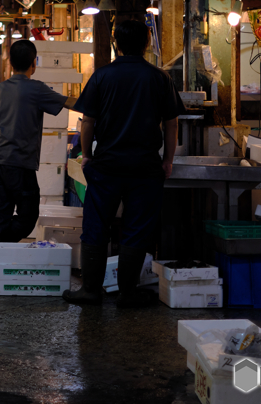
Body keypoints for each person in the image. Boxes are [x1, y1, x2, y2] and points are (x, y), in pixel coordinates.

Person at [63, 20, 183, 308]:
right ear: (146, 44)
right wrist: (167, 161)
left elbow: (88, 121)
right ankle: (127, 294)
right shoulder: (159, 78)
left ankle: (90, 291)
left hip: (107, 166)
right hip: (145, 167)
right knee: (137, 228)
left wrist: (87, 155)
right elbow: (171, 124)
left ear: (116, 43)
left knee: (96, 225)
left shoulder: (102, 76)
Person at [0, 40, 76, 265]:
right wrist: (102, 101)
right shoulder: (36, 88)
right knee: (28, 217)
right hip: (20, 166)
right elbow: (70, 103)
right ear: (34, 63)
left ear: (10, 63)